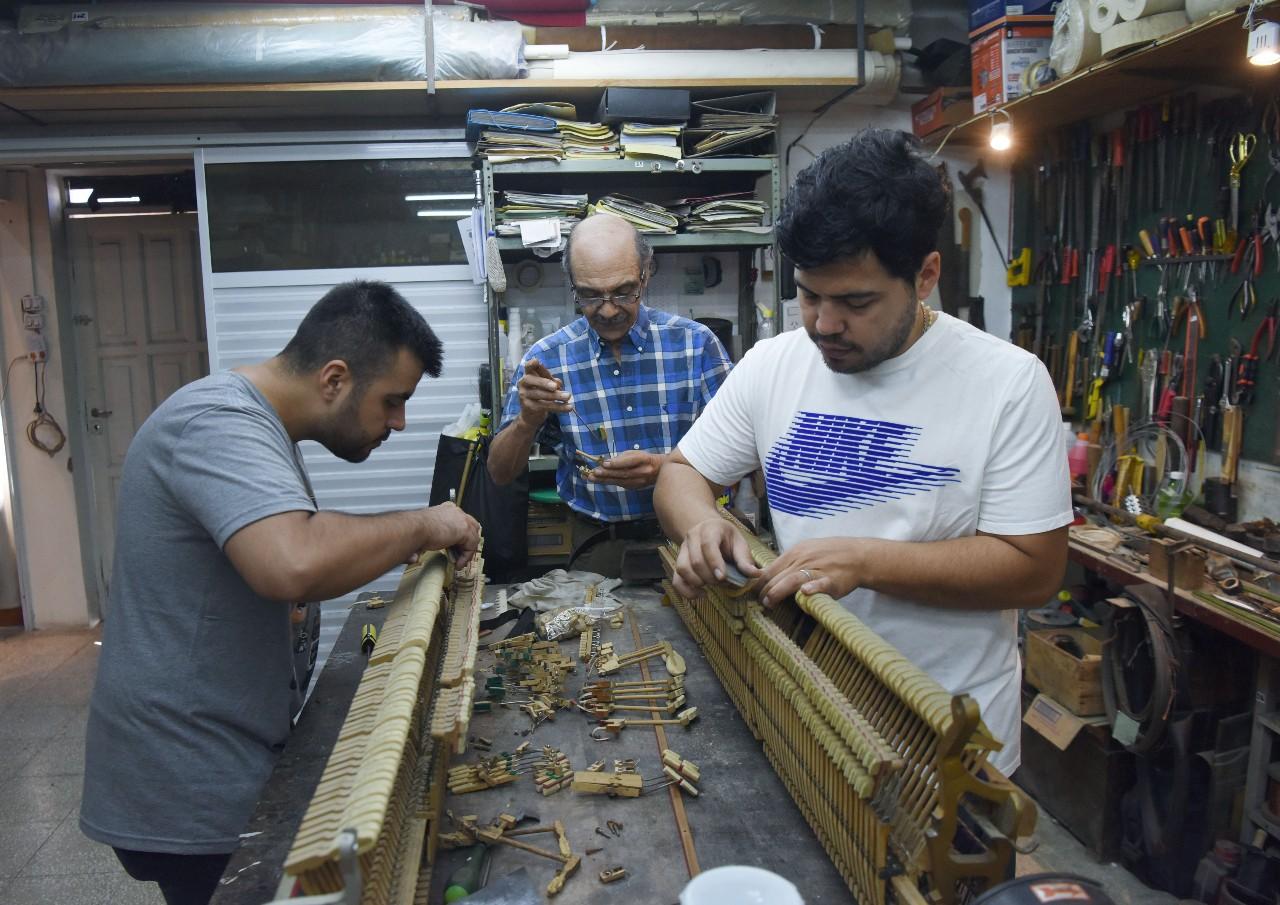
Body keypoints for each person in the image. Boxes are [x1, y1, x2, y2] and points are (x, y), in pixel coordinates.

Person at [654, 129, 1071, 776]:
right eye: (809, 294)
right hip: (807, 715)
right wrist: (703, 525)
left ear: (925, 275)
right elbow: (681, 473)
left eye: (855, 301)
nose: (822, 324)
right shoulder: (773, 365)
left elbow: (1035, 568)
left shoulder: (1007, 384)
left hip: (947, 754)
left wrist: (868, 561)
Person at [80, 280, 481, 905]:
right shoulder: (217, 421)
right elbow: (291, 562)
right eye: (393, 401)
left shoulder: (259, 428)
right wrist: (429, 522)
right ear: (334, 379)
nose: (399, 423)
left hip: (219, 753)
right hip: (188, 783)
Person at [488, 213, 732, 577]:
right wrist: (527, 420)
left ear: (645, 275)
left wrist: (664, 469)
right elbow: (500, 473)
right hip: (596, 545)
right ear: (572, 286)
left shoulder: (696, 346)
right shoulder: (549, 358)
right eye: (589, 296)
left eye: (622, 291)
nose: (607, 309)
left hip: (689, 539)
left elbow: (739, 461)